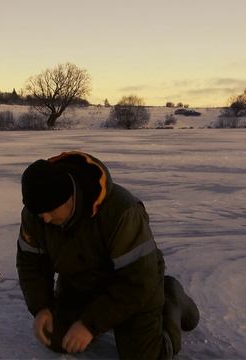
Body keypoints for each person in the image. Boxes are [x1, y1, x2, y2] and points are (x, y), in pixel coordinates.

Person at [16, 151, 199, 359]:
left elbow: (138, 280)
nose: (45, 219)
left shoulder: (121, 211)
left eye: (50, 210)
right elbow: (31, 264)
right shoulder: (35, 215)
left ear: (69, 196)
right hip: (81, 283)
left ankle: (171, 297)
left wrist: (90, 324)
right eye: (39, 213)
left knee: (144, 356)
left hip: (133, 284)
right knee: (56, 337)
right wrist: (41, 307)